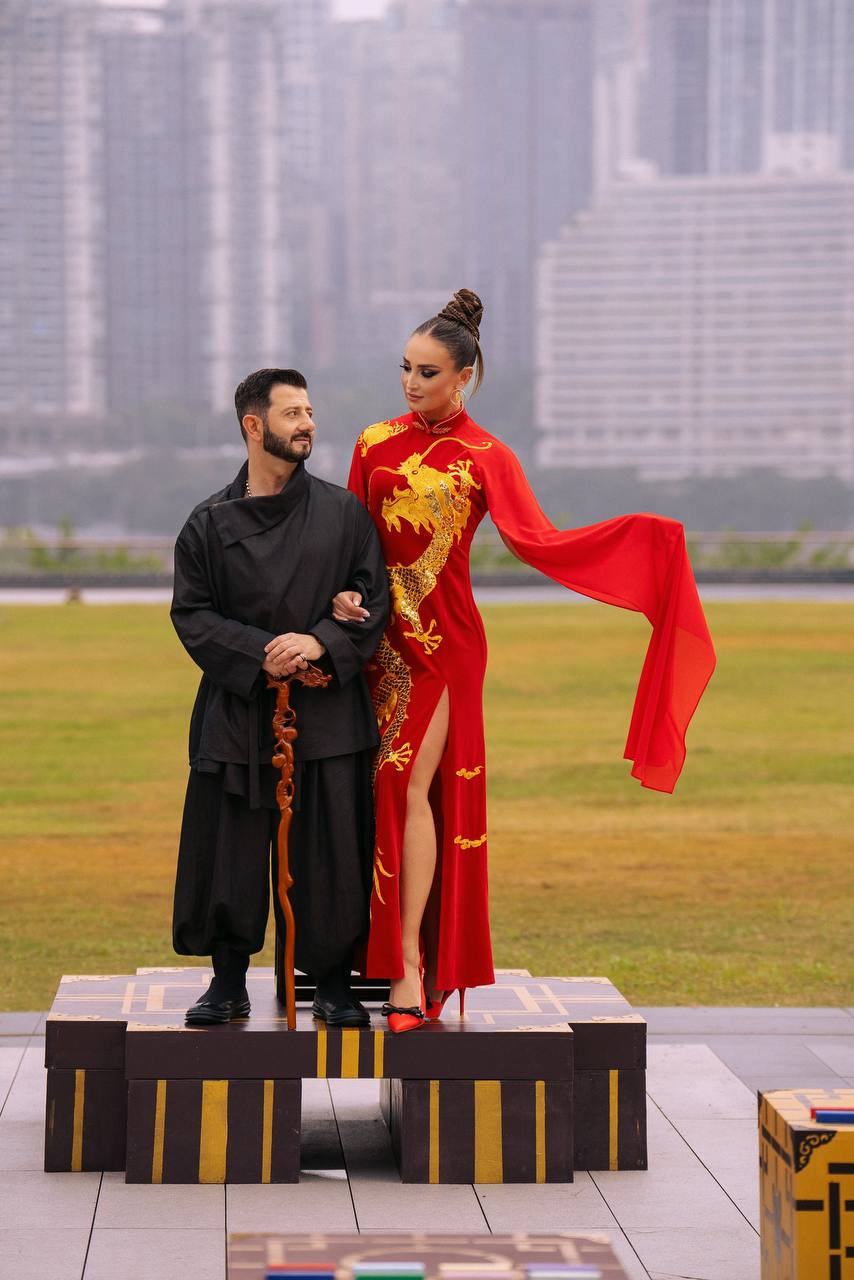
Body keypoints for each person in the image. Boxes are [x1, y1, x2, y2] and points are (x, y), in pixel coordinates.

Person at [336, 289, 716, 1032]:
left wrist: (647, 540)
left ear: (465, 377)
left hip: (445, 649)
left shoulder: (488, 456)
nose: (411, 383)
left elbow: (540, 541)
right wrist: (344, 598)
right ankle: (371, 957)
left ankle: (409, 964)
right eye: (405, 368)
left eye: (428, 372)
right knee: (371, 793)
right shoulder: (373, 442)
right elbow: (352, 539)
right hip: (378, 647)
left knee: (402, 783)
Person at [171, 367, 389, 1027]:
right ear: (253, 424)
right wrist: (262, 652)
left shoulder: (344, 513)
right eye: (293, 413)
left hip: (326, 714)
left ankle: (332, 984)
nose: (308, 425)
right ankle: (227, 981)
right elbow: (192, 614)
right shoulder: (207, 524)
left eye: (310, 412)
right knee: (229, 851)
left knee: (330, 851)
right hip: (239, 711)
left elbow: (372, 597)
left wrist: (320, 640)